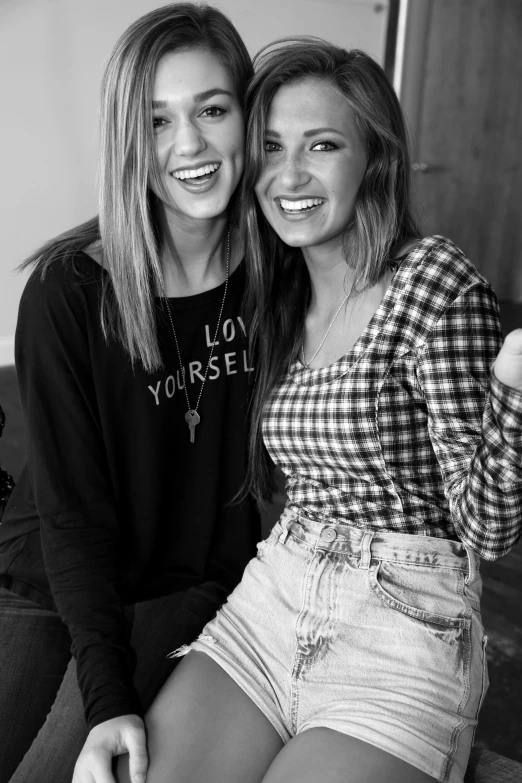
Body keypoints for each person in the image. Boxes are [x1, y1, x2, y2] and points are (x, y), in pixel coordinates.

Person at [117, 39, 522, 783]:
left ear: (375, 160)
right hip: (276, 593)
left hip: (403, 624)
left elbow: (489, 526)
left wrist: (514, 388)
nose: (290, 175)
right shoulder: (278, 291)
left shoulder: (432, 282)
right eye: (271, 146)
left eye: (323, 145)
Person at [0, 4, 259, 783]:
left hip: (186, 592)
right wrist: (108, 692)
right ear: (127, 138)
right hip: (48, 575)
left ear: (248, 116)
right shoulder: (69, 289)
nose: (189, 145)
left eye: (212, 109)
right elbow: (72, 517)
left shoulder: (277, 275)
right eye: (155, 121)